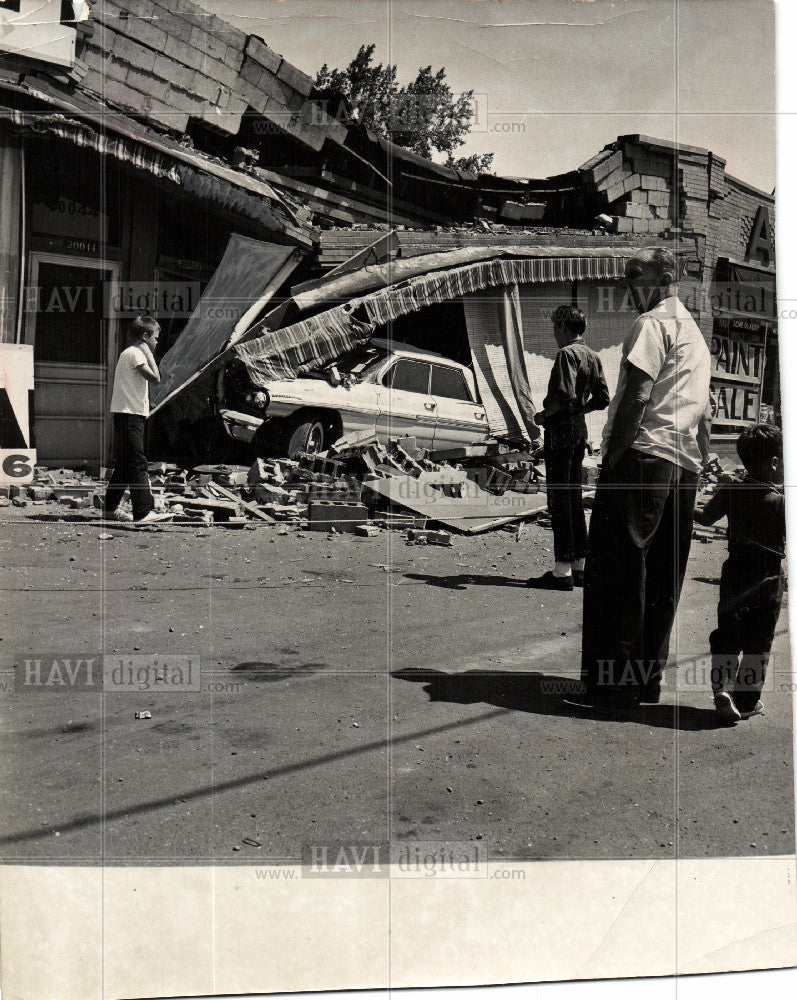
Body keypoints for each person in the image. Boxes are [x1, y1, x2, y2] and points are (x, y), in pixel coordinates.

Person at [579, 248, 712, 709]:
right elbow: (704, 417)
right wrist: (701, 461)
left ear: (664, 276)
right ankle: (644, 684)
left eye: (634, 275)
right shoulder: (695, 335)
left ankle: (610, 689)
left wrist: (613, 459)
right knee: (661, 578)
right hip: (682, 467)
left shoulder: (653, 324)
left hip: (643, 460)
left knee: (618, 570)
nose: (626, 286)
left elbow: (636, 397)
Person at [694, 424, 786, 724]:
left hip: (734, 574)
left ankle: (721, 687)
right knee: (759, 645)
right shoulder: (782, 502)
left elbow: (706, 517)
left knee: (728, 637)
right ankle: (747, 702)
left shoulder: (731, 489)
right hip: (768, 580)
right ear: (774, 463)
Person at [527, 305, 609, 590]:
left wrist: (542, 416)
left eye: (554, 328)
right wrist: (580, 411)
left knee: (560, 500)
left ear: (563, 328)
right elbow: (603, 398)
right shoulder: (592, 355)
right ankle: (580, 567)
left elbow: (563, 396)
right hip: (579, 432)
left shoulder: (566, 355)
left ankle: (561, 572)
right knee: (573, 499)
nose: (553, 334)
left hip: (560, 431)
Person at [102, 315, 162, 524]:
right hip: (129, 415)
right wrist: (147, 350)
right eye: (155, 337)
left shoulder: (129, 353)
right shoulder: (136, 353)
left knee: (126, 464)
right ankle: (143, 512)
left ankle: (109, 509)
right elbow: (156, 377)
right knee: (137, 462)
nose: (157, 341)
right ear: (145, 336)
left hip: (129, 414)